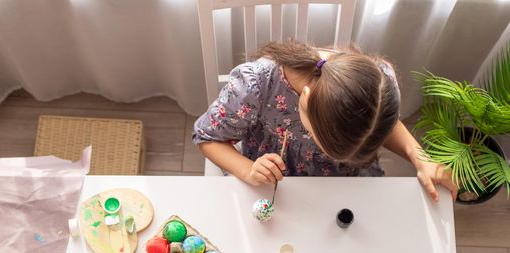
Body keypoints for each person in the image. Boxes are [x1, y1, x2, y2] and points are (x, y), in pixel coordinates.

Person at [193, 41, 457, 202]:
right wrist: (248, 170)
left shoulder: (378, 82)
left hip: (343, 186)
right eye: (322, 139)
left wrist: (417, 155)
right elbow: (207, 138)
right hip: (273, 183)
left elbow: (380, 123)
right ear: (305, 100)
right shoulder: (256, 86)